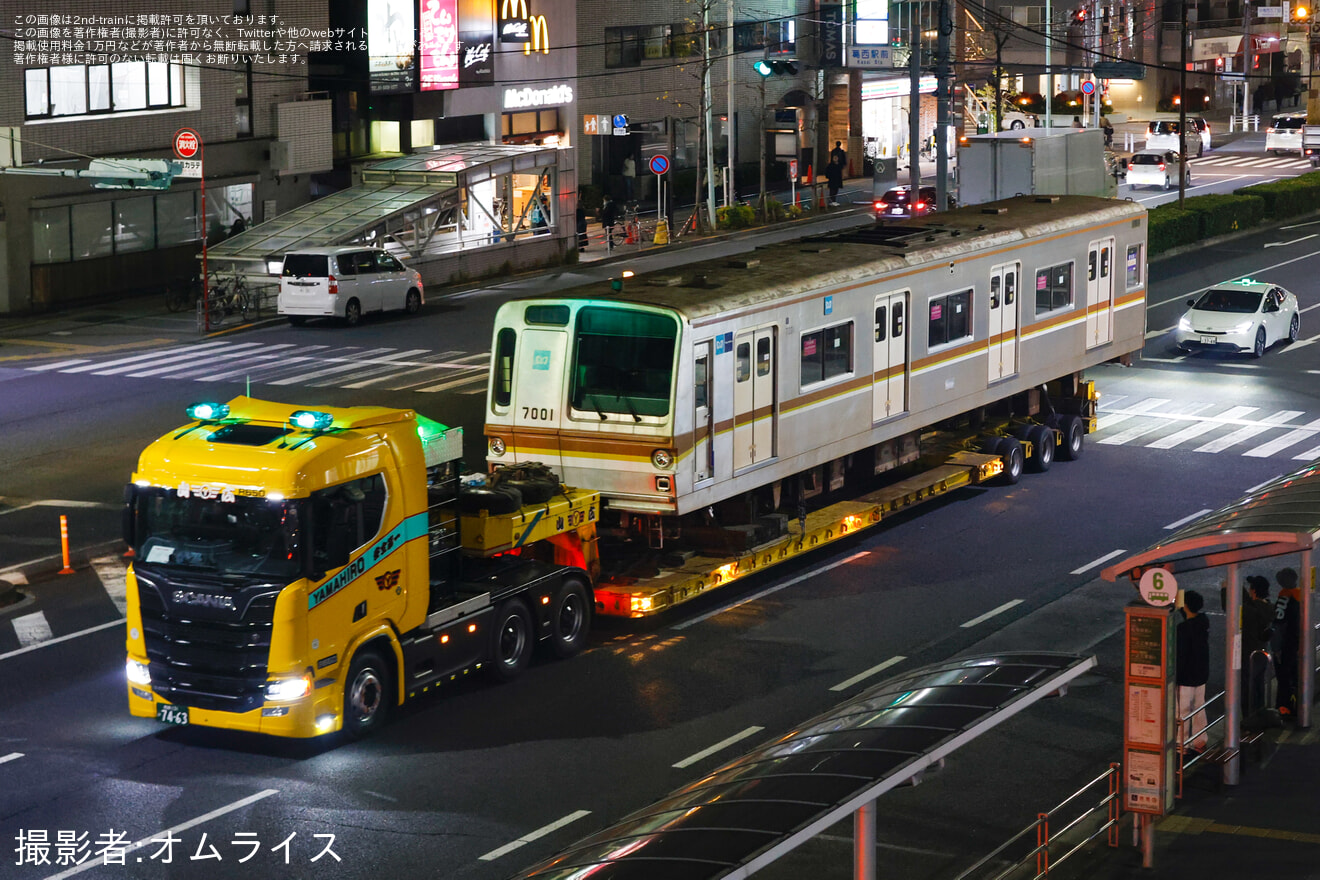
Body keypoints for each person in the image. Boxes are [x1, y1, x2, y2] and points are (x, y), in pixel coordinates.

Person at [1176, 589, 1210, 755]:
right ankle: (1200, 740)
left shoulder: (1184, 629)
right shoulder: (1202, 622)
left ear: (1186, 606)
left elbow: (1181, 655)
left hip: (1186, 676)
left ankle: (1181, 744)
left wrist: (1176, 675)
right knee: (1198, 707)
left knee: (1183, 711)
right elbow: (1184, 611)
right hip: (1201, 673)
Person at [1241, 575, 1275, 718]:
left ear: (1253, 591)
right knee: (1259, 684)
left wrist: (1229, 586)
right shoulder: (1269, 607)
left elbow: (1239, 605)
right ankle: (1260, 713)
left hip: (1249, 653)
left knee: (1247, 687)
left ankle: (1250, 718)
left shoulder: (1251, 611)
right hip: (1262, 652)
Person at [1273, 568, 1302, 717]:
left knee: (1284, 678)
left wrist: (1276, 648)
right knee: (1297, 677)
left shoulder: (1284, 598)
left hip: (1287, 646)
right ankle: (1298, 706)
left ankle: (1284, 708)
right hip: (1300, 643)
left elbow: (1278, 626)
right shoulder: (1302, 595)